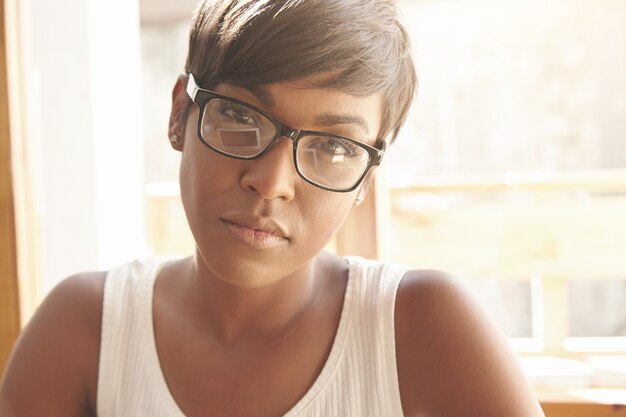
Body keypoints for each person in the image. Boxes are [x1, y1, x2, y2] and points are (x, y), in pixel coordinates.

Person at [0, 0, 545, 416]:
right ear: (178, 116)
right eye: (240, 117)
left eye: (334, 146)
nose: (271, 182)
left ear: (364, 182)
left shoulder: (425, 329)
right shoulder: (84, 331)